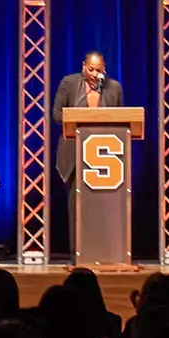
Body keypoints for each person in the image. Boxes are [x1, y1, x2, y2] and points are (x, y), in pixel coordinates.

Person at [53, 51, 124, 256]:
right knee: (77, 206)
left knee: (104, 206)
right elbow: (57, 115)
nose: (94, 74)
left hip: (105, 156)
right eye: (90, 69)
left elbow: (122, 119)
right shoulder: (69, 83)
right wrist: (80, 115)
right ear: (83, 66)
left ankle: (105, 251)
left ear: (105, 70)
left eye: (98, 70)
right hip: (75, 154)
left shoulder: (114, 88)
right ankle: (78, 252)